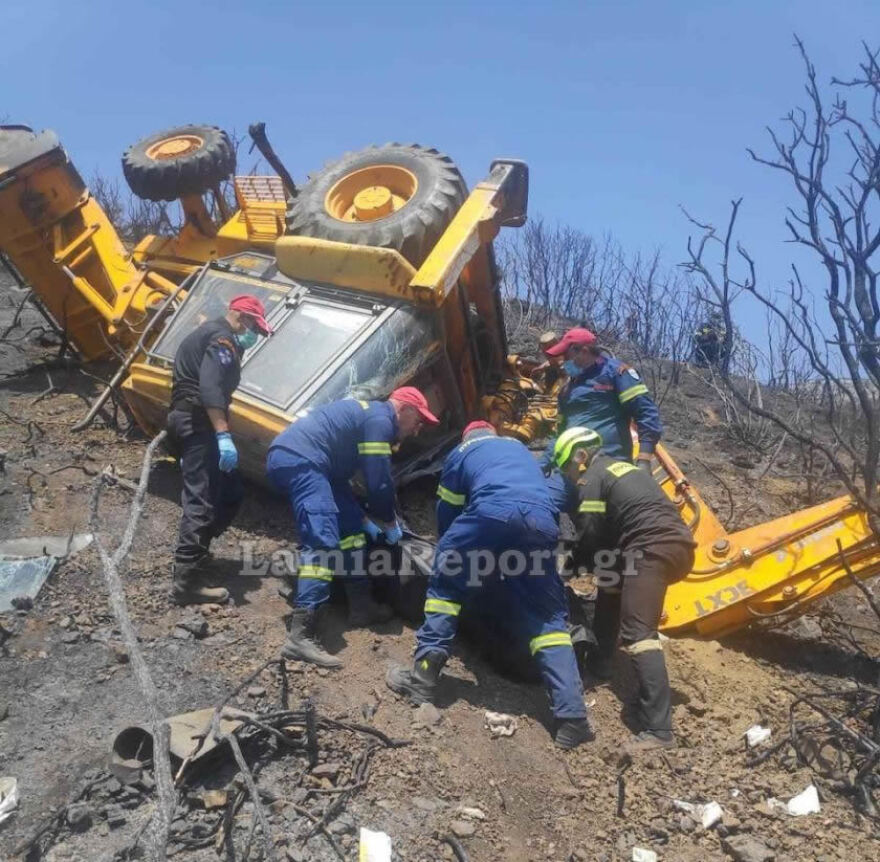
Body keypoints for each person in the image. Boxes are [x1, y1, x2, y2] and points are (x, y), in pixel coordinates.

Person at [386, 421, 595, 750]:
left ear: (468, 435)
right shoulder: (522, 453)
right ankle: (572, 719)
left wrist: (452, 554)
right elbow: (546, 498)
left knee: (446, 590)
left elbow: (449, 508)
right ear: (494, 434)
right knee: (548, 619)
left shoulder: (462, 452)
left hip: (490, 513)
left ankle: (423, 677)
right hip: (541, 523)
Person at [267, 387, 439, 668]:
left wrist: (363, 520)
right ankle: (301, 633)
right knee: (323, 542)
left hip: (319, 467)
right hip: (303, 461)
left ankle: (361, 605)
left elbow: (346, 483)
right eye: (418, 422)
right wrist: (389, 520)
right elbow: (378, 481)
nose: (417, 431)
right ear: (405, 409)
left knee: (351, 532)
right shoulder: (381, 420)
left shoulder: (370, 417)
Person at [552, 426, 696, 754]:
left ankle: (659, 730)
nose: (570, 478)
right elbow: (605, 538)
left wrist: (567, 570)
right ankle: (601, 664)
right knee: (611, 585)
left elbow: (588, 533)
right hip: (671, 545)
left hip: (651, 547)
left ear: (581, 456)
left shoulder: (593, 478)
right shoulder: (623, 468)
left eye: (568, 469)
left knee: (639, 633)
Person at [167, 294, 272, 605]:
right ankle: (186, 581)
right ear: (241, 317)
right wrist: (223, 435)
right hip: (198, 424)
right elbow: (211, 387)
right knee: (201, 498)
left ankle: (197, 554)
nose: (255, 334)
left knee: (230, 491)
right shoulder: (222, 339)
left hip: (192, 421)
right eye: (255, 326)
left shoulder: (211, 334)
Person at [541, 327, 662, 472]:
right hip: (569, 467)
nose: (563, 362)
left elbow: (645, 413)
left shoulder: (617, 373)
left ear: (584, 352)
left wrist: (644, 460)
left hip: (609, 464)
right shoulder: (567, 389)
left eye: (566, 356)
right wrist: (542, 466)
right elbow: (559, 434)